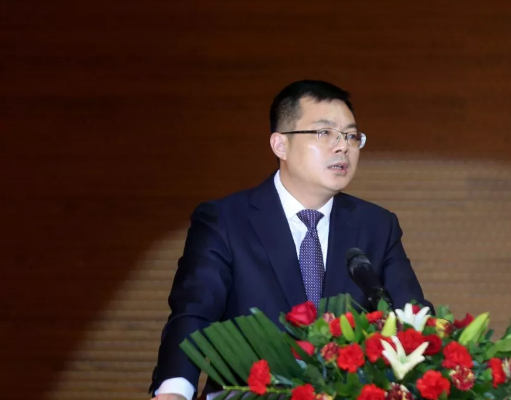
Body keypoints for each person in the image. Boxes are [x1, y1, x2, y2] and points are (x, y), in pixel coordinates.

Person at [149, 80, 432, 400]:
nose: (343, 147)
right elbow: (194, 314)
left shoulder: (377, 225)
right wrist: (175, 391)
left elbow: (412, 315)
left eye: (351, 136)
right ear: (280, 145)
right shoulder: (225, 220)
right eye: (325, 133)